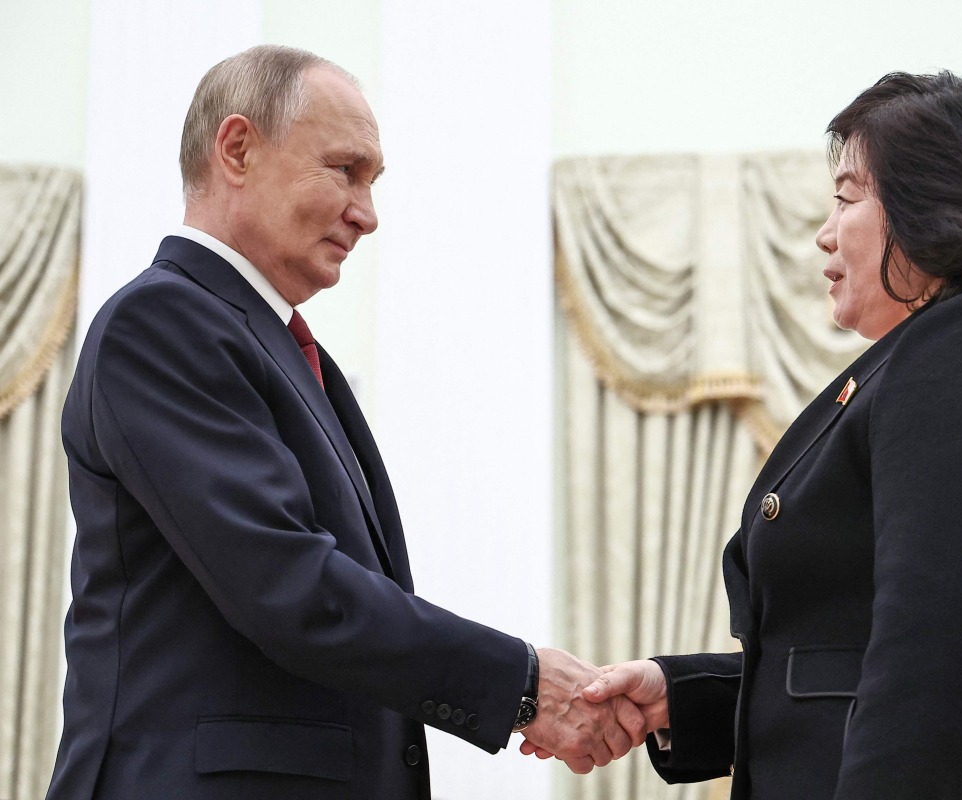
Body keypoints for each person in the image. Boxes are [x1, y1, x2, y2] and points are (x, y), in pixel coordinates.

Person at [48, 44, 640, 799]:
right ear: (237, 149)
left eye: (373, 181)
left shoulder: (285, 348)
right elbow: (289, 586)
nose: (367, 214)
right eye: (345, 170)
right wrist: (523, 684)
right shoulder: (162, 321)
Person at [562, 71, 962, 799]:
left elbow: (928, 667)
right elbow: (844, 661)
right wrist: (679, 696)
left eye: (846, 198)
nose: (825, 230)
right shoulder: (925, 359)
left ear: (929, 206)